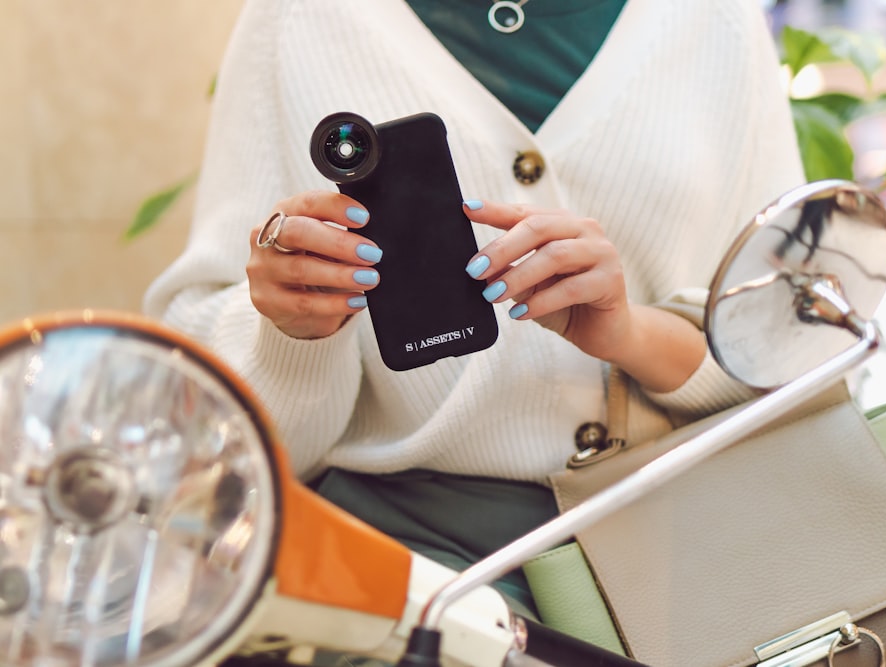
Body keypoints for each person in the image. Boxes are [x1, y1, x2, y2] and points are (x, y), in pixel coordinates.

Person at [144, 0, 803, 640]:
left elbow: (789, 344)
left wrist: (628, 333)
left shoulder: (714, 18)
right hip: (407, 569)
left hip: (680, 545)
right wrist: (292, 334)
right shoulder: (299, 19)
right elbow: (212, 419)